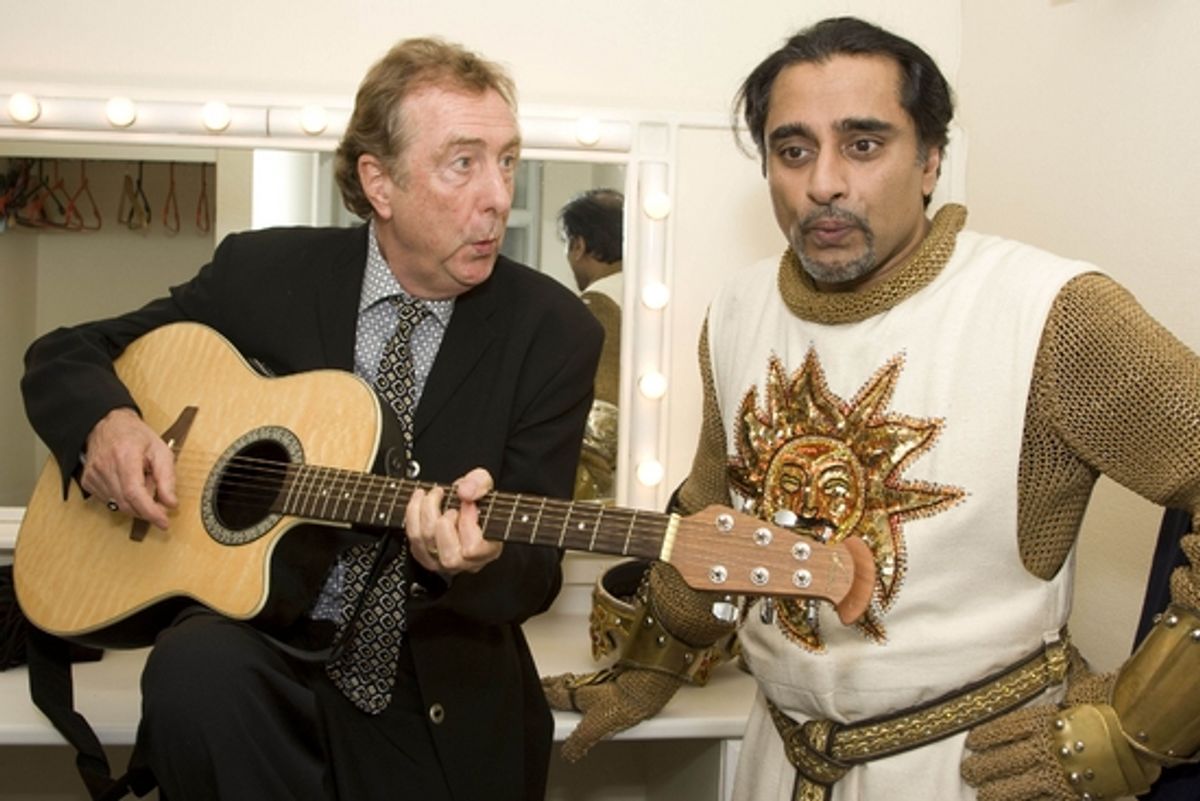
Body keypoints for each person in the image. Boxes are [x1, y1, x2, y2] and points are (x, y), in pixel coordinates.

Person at [541, 16, 1200, 801]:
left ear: (929, 160)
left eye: (863, 143)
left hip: (971, 770)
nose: (823, 181)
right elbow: (714, 508)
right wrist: (654, 662)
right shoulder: (741, 307)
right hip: (774, 755)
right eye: (793, 150)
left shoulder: (1050, 312)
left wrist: (1131, 722)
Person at [21, 37, 602, 801]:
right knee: (196, 669)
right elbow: (66, 351)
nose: (497, 194)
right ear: (378, 181)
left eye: (507, 161)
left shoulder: (555, 329)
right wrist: (109, 421)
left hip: (430, 691)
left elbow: (533, 572)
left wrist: (475, 559)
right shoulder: (265, 274)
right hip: (265, 661)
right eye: (464, 162)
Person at [558, 188, 624, 502]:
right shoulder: (643, 290)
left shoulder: (598, 302)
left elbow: (601, 421)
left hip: (604, 493)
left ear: (579, 245)